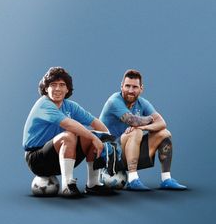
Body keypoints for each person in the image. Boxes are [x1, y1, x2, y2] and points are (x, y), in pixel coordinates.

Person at [23, 66, 113, 198]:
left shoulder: (70, 106)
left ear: (67, 89)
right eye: (53, 85)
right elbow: (69, 124)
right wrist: (95, 139)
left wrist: (108, 140)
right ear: (46, 88)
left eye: (62, 85)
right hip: (37, 158)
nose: (57, 89)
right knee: (70, 135)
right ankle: (67, 186)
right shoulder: (44, 104)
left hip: (61, 155)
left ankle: (93, 184)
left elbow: (95, 122)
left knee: (93, 135)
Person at [99, 69, 187, 191]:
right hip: (109, 156)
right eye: (127, 86)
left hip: (129, 151)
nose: (130, 90)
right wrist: (150, 119)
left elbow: (162, 123)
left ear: (141, 88)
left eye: (134, 87)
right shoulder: (114, 101)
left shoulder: (143, 103)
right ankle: (133, 179)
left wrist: (145, 127)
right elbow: (133, 121)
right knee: (136, 131)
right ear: (121, 86)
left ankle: (166, 179)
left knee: (164, 133)